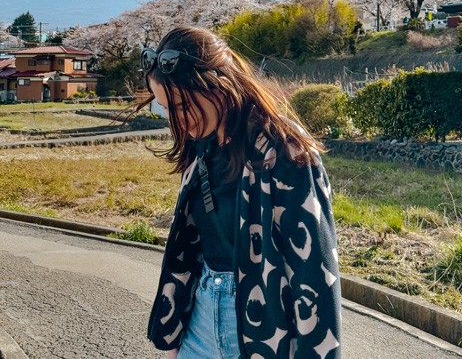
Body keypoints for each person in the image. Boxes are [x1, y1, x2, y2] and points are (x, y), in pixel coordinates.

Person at [141, 26, 342, 359]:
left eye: (181, 106)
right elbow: (190, 250)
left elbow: (315, 272)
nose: (175, 121)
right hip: (200, 323)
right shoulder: (201, 145)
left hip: (266, 331)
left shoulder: (283, 149)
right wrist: (174, 337)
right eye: (165, 108)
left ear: (217, 87)